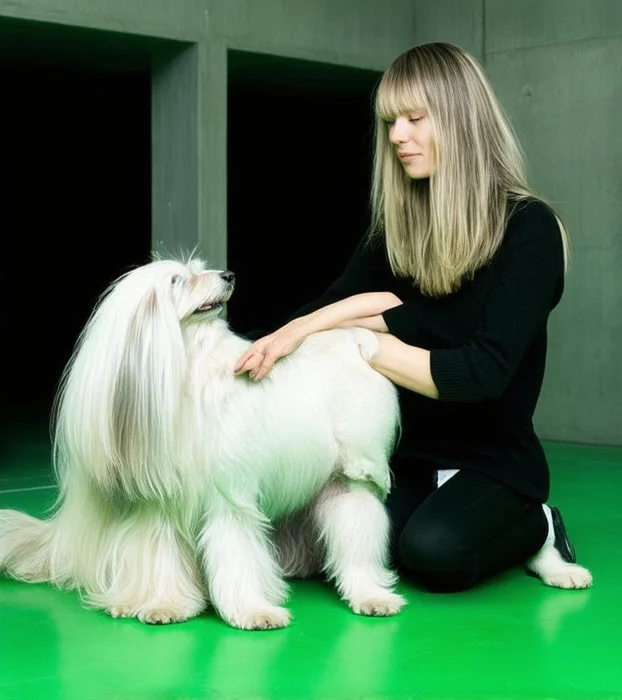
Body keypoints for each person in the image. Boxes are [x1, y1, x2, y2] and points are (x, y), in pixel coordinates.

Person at [234, 42, 584, 594]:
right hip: (406, 453)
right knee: (324, 540)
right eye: (390, 122)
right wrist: (255, 346)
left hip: (493, 461)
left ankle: (539, 524)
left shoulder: (529, 229)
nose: (397, 135)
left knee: (434, 555)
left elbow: (481, 374)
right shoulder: (395, 231)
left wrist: (366, 343)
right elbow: (328, 306)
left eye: (414, 119)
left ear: (461, 123)